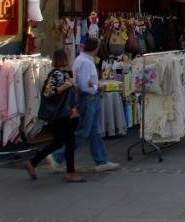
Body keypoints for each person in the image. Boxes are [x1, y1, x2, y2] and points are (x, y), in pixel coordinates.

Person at [48, 38, 118, 173]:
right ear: (95, 49)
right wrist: (98, 87)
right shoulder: (85, 62)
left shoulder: (82, 60)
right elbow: (85, 85)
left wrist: (94, 85)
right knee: (83, 131)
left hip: (89, 99)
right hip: (87, 99)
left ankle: (101, 161)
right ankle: (57, 156)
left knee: (95, 131)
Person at [27, 50, 84, 183]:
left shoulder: (63, 74)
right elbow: (49, 93)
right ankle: (71, 172)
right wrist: (67, 85)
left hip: (63, 113)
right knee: (70, 141)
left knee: (58, 142)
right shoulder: (57, 74)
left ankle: (32, 162)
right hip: (60, 115)